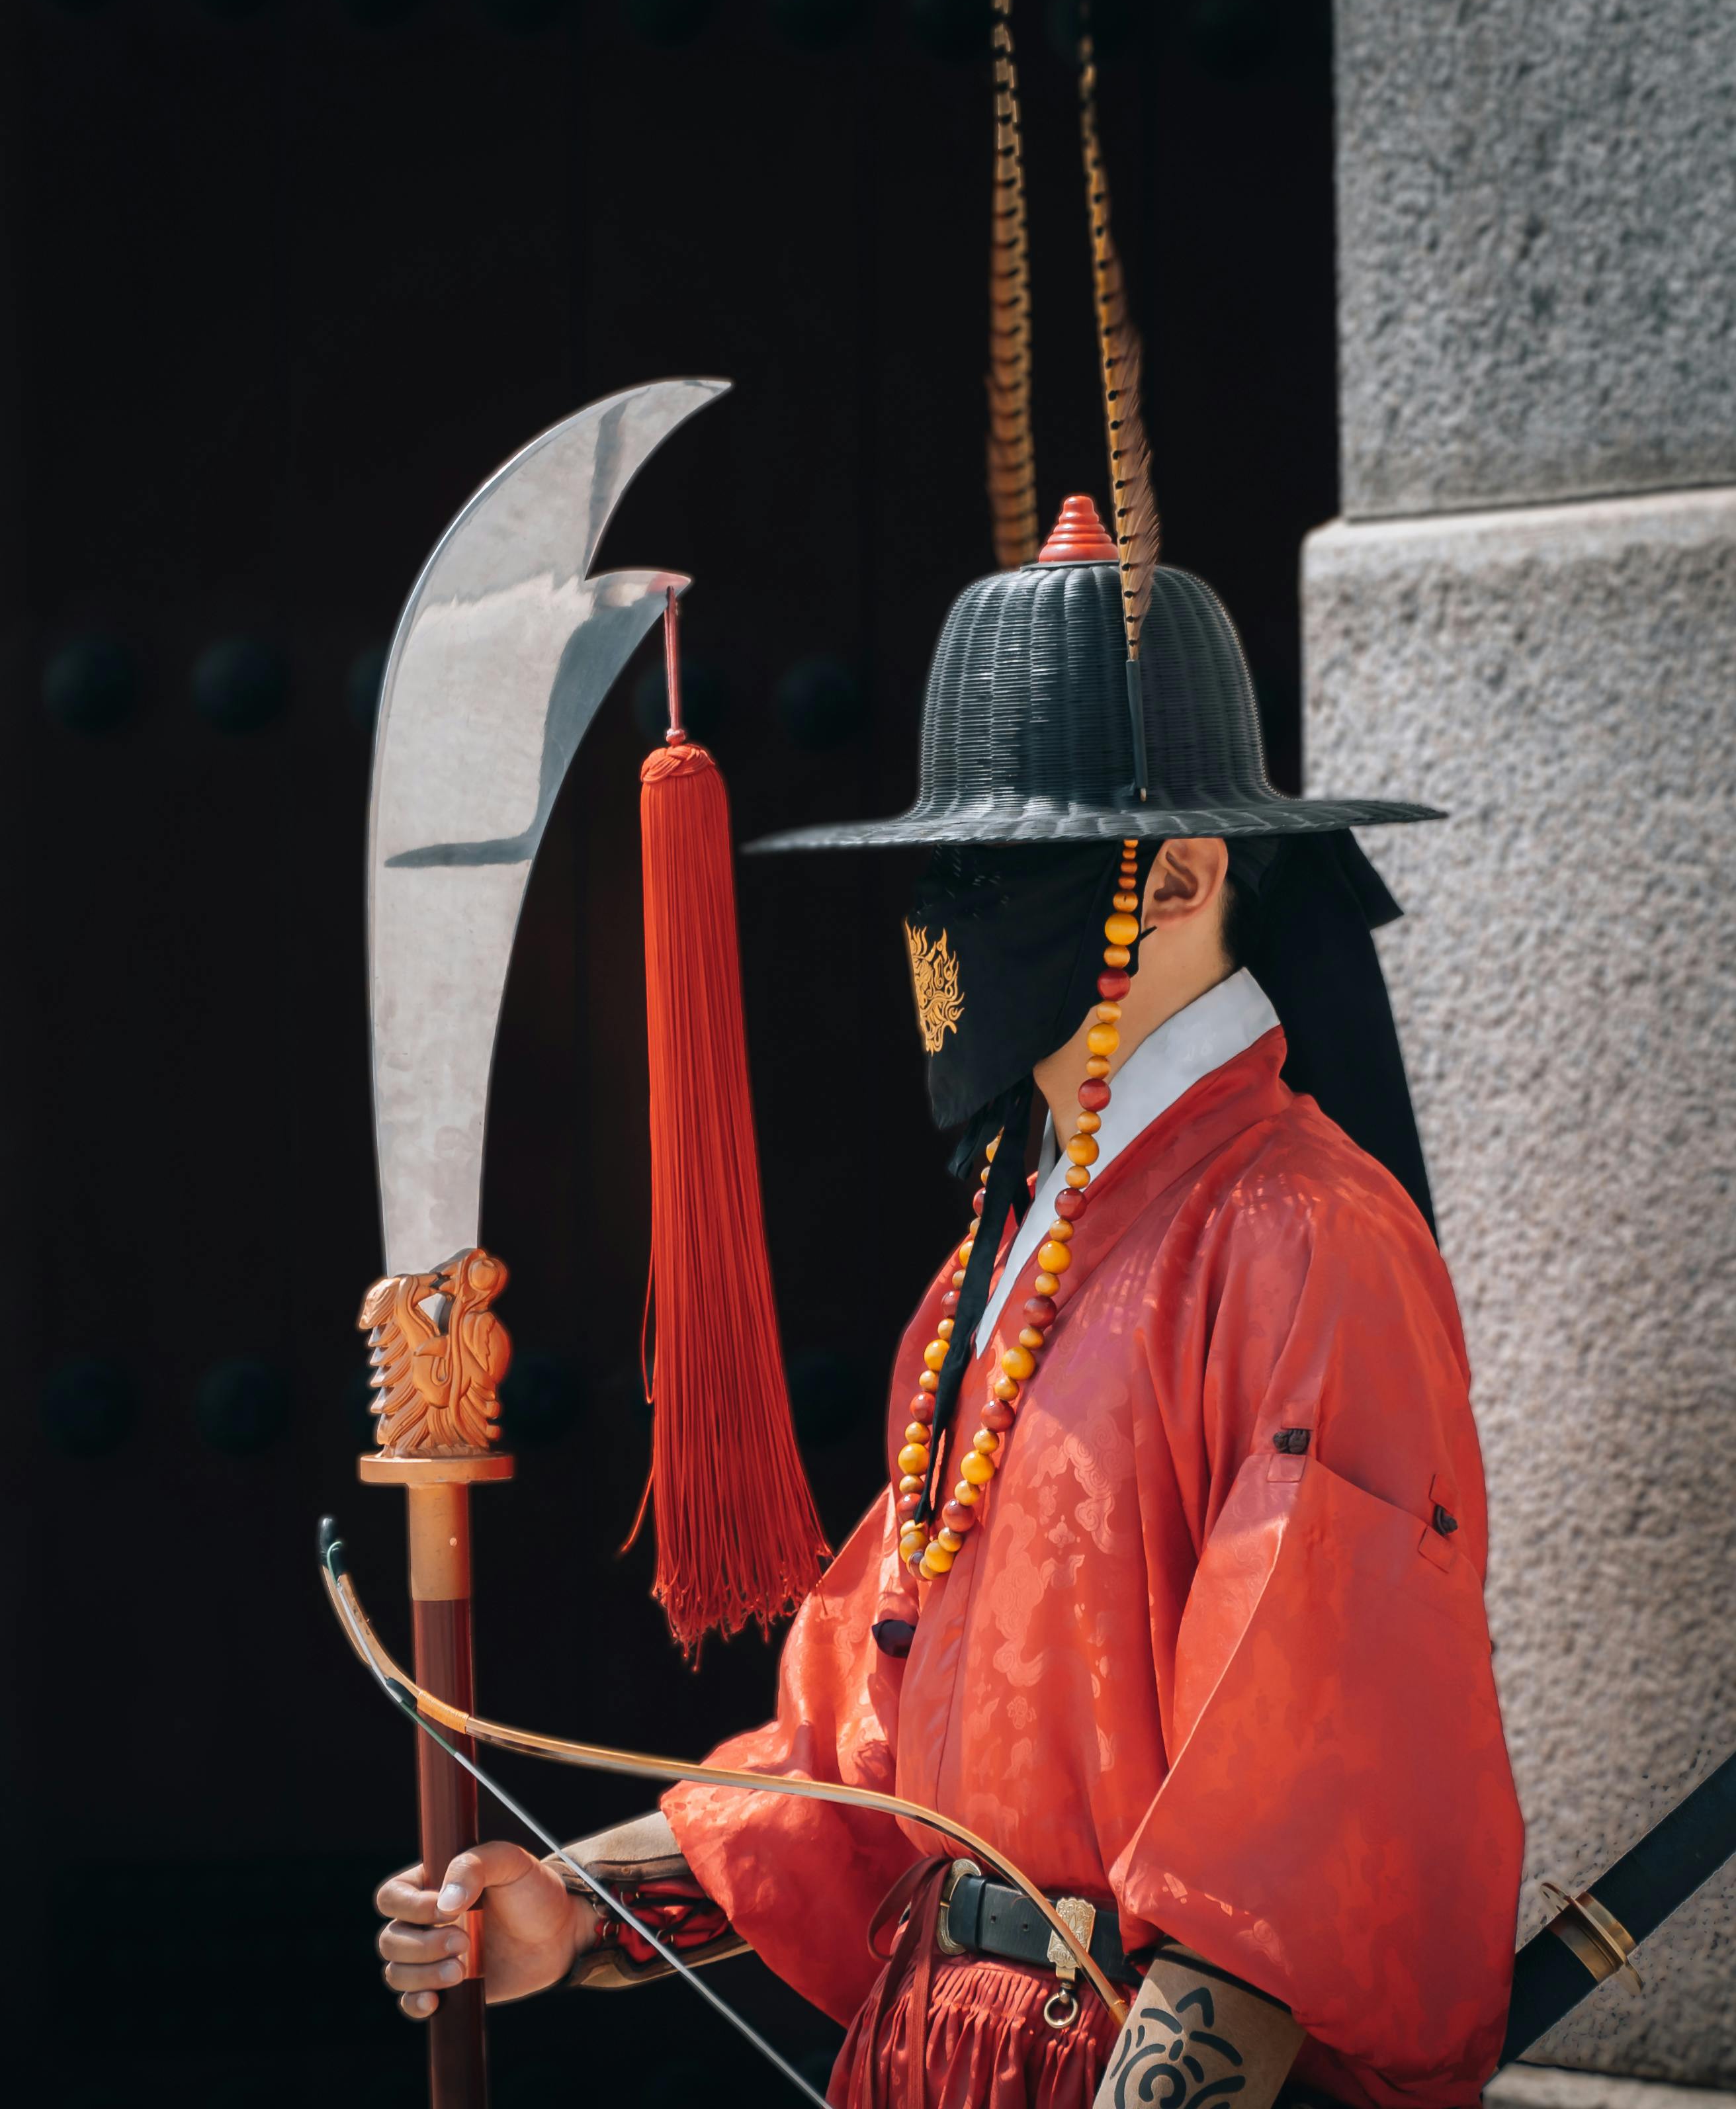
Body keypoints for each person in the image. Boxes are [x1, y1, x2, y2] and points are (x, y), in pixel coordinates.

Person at [374, 497, 1524, 2109]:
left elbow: (1300, 1800)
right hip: (931, 2050)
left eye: (1002, 873)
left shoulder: (1302, 1235)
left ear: (1183, 871)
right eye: (946, 867)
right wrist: (578, 1902)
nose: (948, 918)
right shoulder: (998, 1252)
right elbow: (860, 1744)